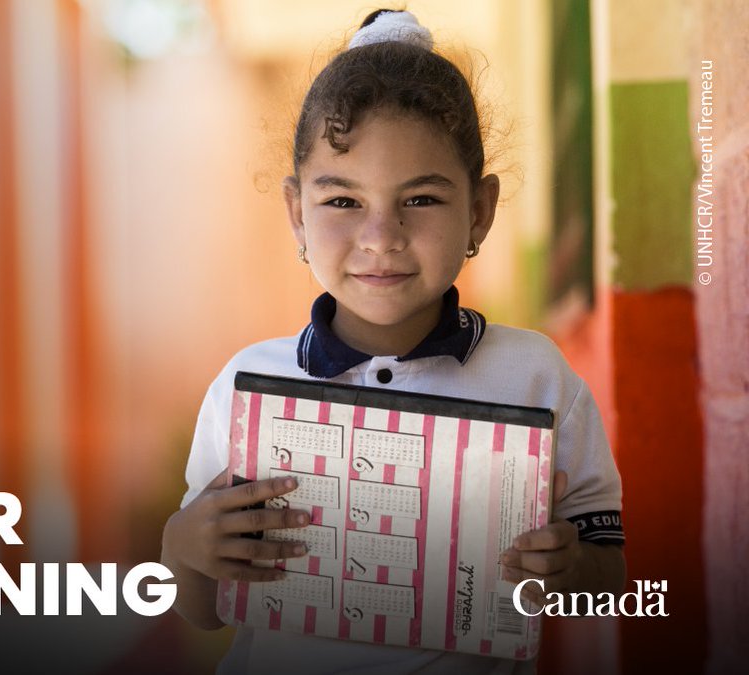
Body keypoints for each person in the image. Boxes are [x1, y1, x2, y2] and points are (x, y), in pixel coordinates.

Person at [160, 9, 626, 674]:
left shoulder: (537, 379)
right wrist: (182, 546)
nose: (382, 236)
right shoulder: (245, 389)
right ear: (297, 212)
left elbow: (608, 580)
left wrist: (571, 565)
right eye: (343, 202)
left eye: (422, 199)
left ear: (480, 211)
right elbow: (202, 606)